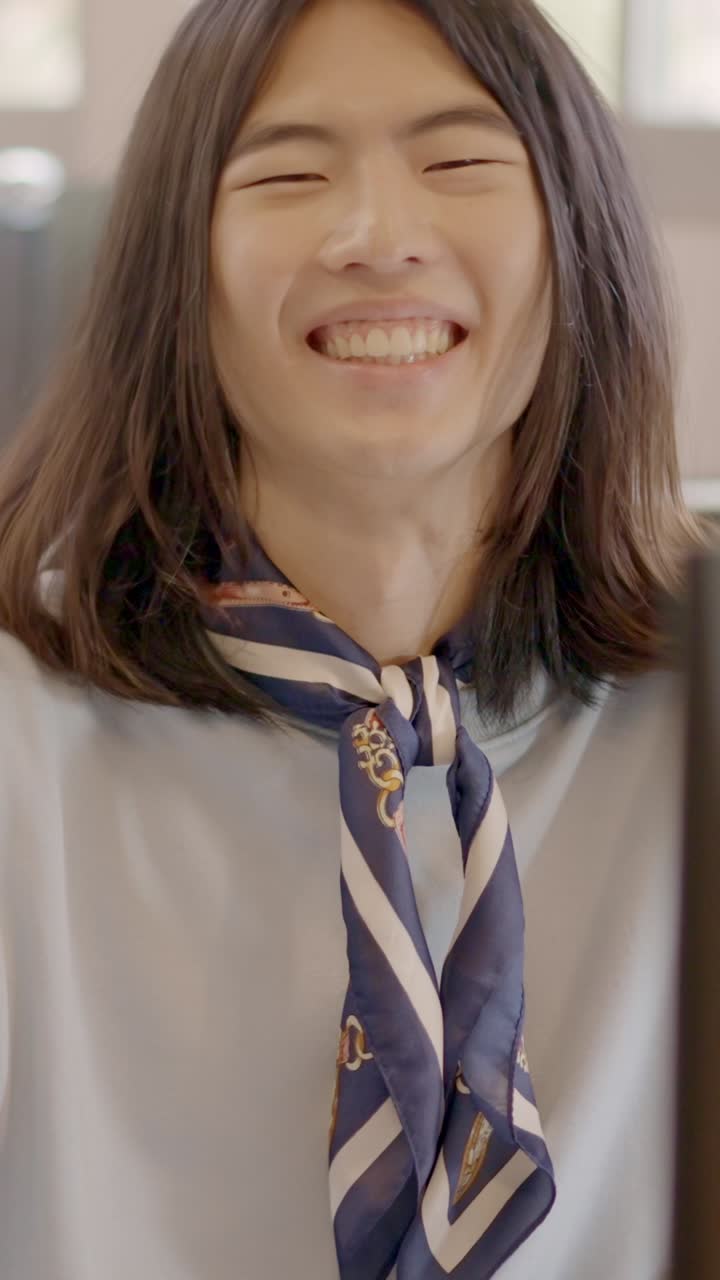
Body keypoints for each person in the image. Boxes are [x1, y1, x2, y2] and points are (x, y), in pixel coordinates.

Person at [0, 0, 714, 1276]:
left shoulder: (697, 713)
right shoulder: (19, 724)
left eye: (458, 162)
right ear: (178, 266)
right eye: (288, 172)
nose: (378, 236)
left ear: (575, 234)